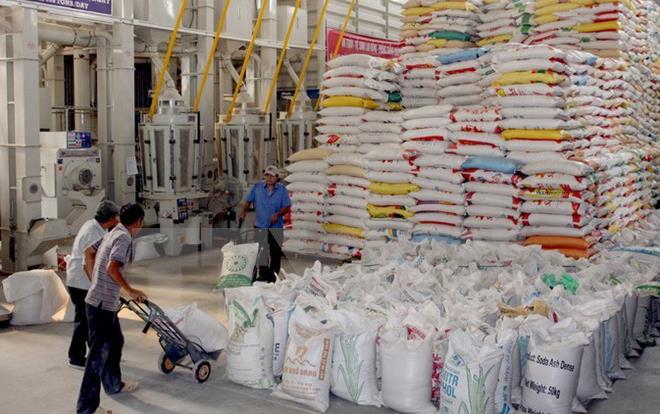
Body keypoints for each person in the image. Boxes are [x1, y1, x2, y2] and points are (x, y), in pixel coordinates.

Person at [76, 204, 148, 414]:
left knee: (116, 342)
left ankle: (114, 384)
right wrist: (130, 290)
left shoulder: (113, 231)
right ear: (138, 222)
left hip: (100, 301)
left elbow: (88, 252)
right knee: (97, 358)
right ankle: (86, 409)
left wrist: (95, 283)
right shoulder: (123, 237)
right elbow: (112, 268)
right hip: (101, 306)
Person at [66, 201, 120, 370]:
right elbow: (87, 263)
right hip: (81, 283)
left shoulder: (94, 226)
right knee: (83, 321)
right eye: (117, 217)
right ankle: (76, 358)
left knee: (92, 321)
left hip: (81, 280)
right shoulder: (93, 232)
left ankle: (97, 354)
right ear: (111, 219)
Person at [239, 165, 291, 282]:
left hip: (276, 227)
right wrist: (243, 211)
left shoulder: (282, 190)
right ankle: (263, 274)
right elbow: (248, 201)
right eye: (267, 175)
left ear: (277, 177)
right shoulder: (257, 187)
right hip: (260, 225)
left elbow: (287, 206)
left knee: (275, 252)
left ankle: (273, 277)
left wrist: (277, 215)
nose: (269, 178)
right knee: (262, 252)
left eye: (272, 176)